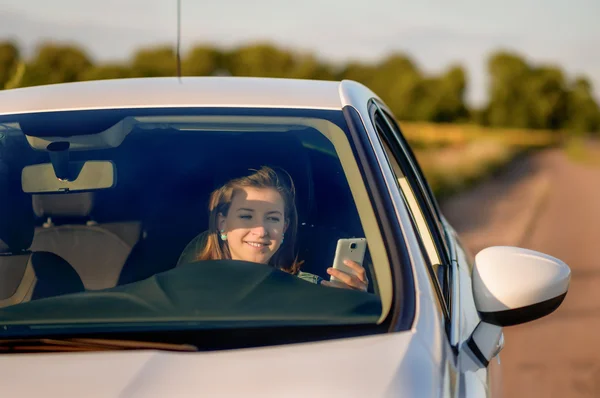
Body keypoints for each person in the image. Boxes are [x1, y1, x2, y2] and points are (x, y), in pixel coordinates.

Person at [177, 166, 369, 291]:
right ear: (222, 223)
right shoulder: (183, 288)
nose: (261, 231)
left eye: (272, 218)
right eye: (246, 216)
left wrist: (354, 303)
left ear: (284, 227)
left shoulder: (315, 290)